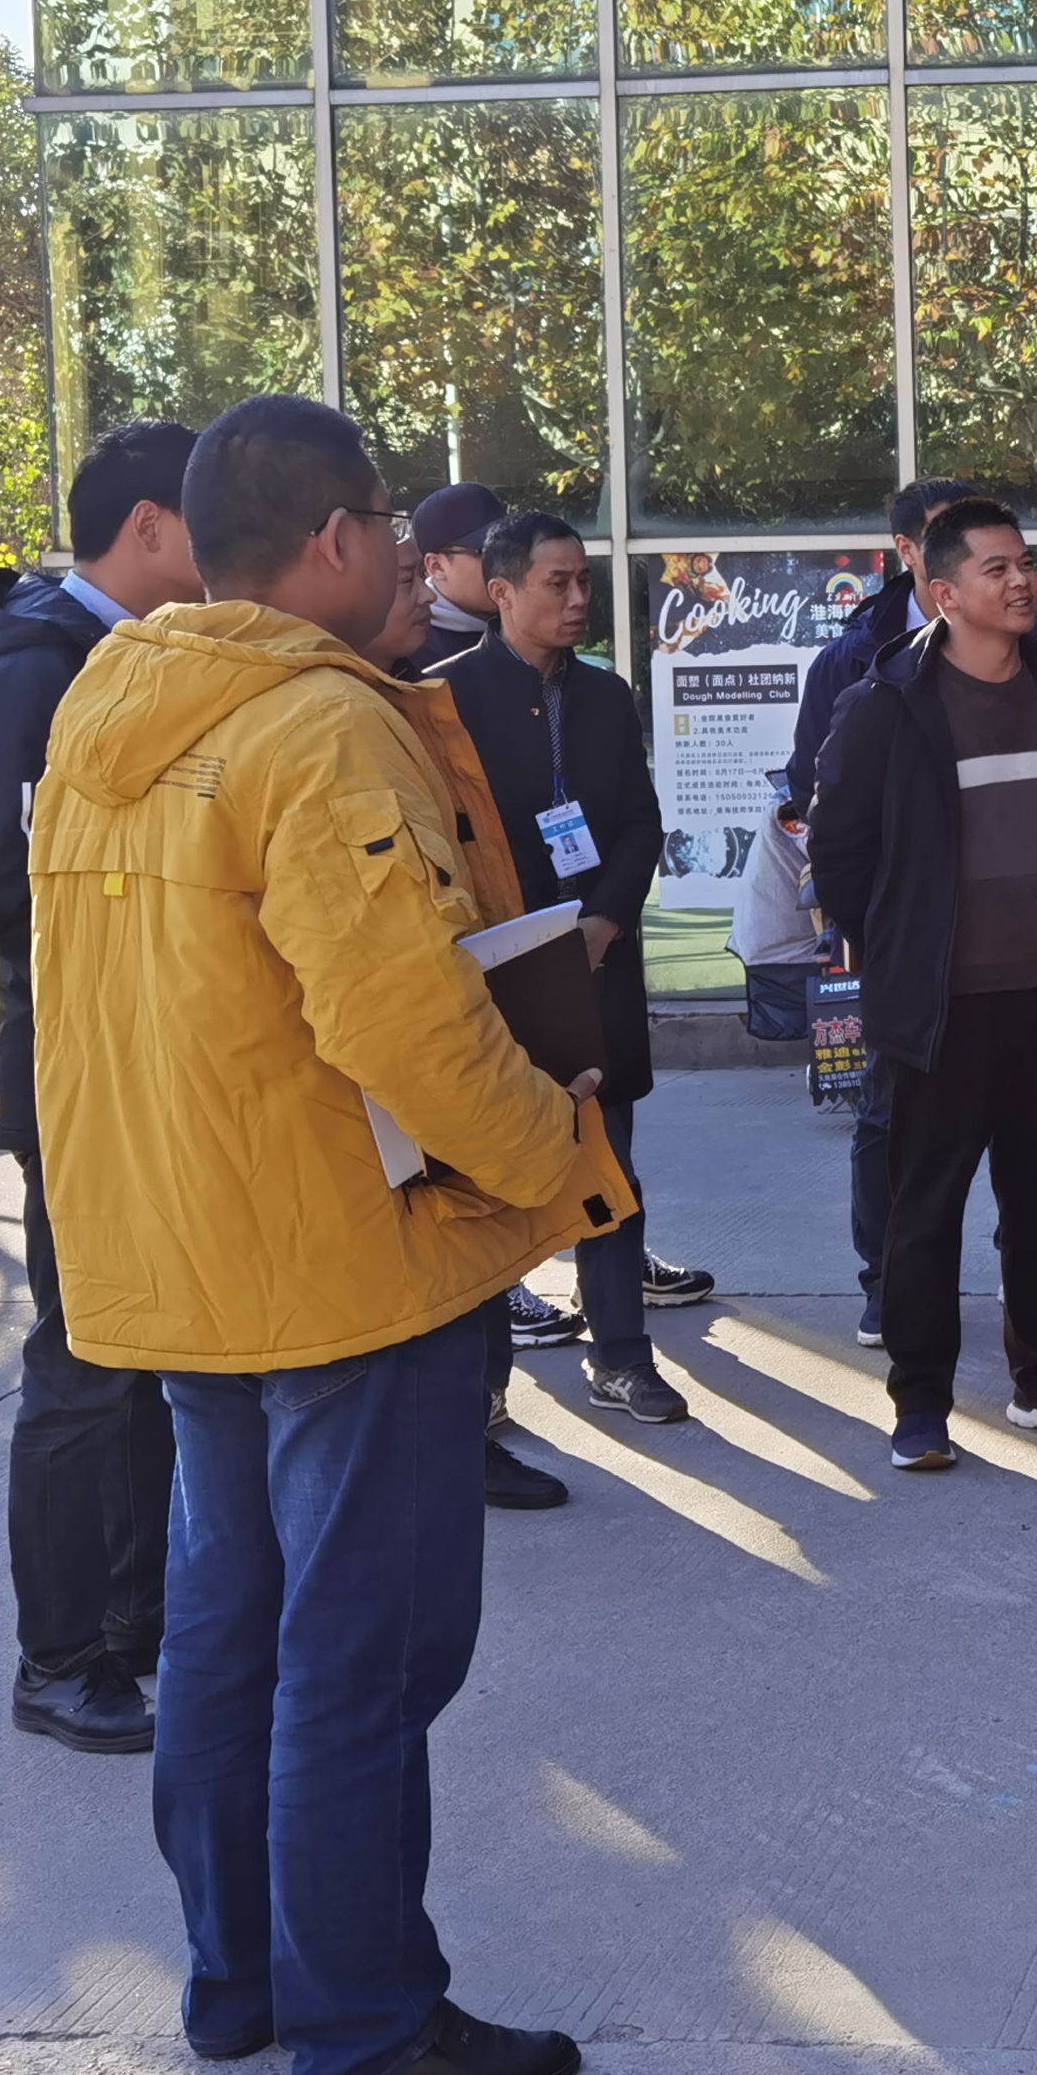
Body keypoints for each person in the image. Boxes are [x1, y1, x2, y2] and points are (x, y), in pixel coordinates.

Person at [31, 395, 632, 2075]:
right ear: (337, 539)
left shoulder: (112, 701)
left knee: (230, 1636)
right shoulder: (320, 726)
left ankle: (247, 1980)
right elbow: (405, 1021)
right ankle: (368, 2027)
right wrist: (555, 1155)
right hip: (342, 1260)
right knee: (361, 1659)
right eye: (388, 524)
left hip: (190, 1247)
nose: (412, 561)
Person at [0, 419, 198, 1756]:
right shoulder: (41, 668)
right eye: (210, 515)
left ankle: (136, 1625)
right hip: (82, 1067)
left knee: (146, 1361)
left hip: (149, 1058)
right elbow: (18, 889)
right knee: (86, 1367)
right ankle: (59, 1660)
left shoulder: (132, 652)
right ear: (148, 526)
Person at [808, 495, 1037, 1472]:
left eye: (1026, 564)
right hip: (941, 1005)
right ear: (942, 592)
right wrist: (901, 951)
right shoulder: (887, 702)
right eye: (997, 568)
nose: (1022, 581)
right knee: (926, 1211)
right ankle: (919, 1403)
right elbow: (838, 853)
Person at [440, 511, 707, 1425]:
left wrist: (602, 922)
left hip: (595, 961)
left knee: (607, 1166)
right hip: (496, 967)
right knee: (488, 1180)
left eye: (583, 580)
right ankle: (483, 1387)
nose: (577, 597)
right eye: (556, 582)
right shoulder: (443, 700)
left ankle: (622, 1357)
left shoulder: (604, 695)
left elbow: (638, 822)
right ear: (502, 591)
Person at [359, 555, 575, 1513]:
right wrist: (525, 1135)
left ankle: (478, 1423)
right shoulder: (335, 728)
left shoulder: (410, 703)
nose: (425, 595)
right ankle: (457, 1439)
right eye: (403, 576)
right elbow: (390, 981)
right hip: (403, 1088)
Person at [404, 481, 507, 679]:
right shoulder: (412, 649)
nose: (506, 562)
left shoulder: (529, 622)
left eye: (510, 548)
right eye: (486, 551)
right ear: (436, 566)